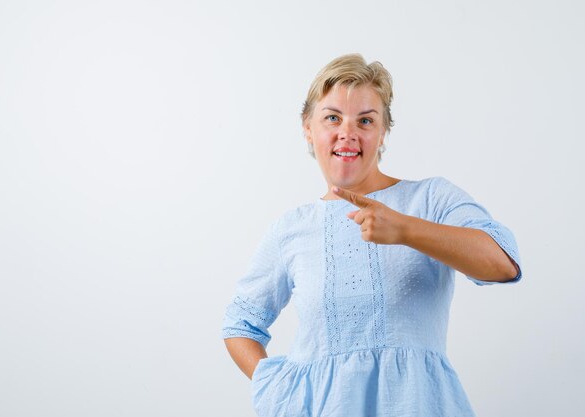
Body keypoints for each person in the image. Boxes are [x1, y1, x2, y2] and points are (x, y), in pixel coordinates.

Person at [220, 53, 522, 417]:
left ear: (383, 132)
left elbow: (502, 263)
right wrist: (281, 390)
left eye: (365, 120)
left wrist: (406, 229)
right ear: (308, 127)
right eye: (332, 117)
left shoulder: (429, 199)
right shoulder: (290, 229)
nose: (347, 132)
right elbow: (240, 324)